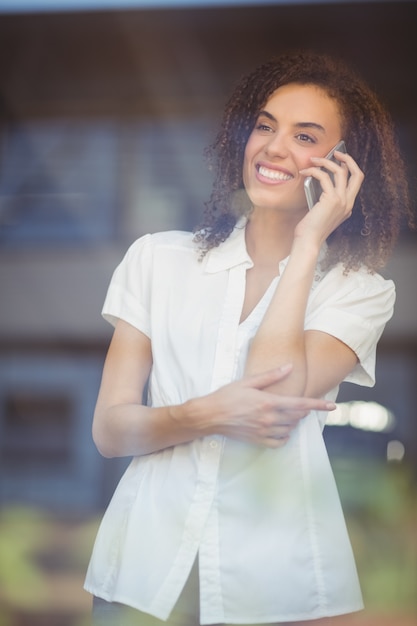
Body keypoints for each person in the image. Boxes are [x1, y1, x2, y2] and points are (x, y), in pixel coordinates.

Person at [84, 50, 412, 626]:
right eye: (264, 126)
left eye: (305, 136)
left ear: (345, 167)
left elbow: (278, 395)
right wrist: (208, 413)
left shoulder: (359, 290)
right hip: (140, 571)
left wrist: (309, 242)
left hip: (272, 583)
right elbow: (111, 430)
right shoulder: (157, 259)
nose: (274, 148)